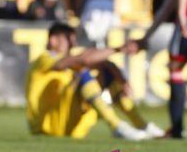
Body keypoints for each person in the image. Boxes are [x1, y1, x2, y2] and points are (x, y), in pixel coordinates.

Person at [26, 23, 162, 139]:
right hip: (47, 126)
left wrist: (122, 81)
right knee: (84, 72)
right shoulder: (44, 59)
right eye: (69, 39)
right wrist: (120, 49)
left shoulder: (68, 59)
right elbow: (83, 60)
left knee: (105, 71)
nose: (74, 44)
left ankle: (142, 126)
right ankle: (117, 126)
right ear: (53, 40)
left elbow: (104, 63)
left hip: (68, 125)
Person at [130, 0, 187, 139]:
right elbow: (169, 3)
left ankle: (177, 129)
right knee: (175, 67)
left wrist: (182, 14)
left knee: (175, 68)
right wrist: (147, 35)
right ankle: (176, 129)